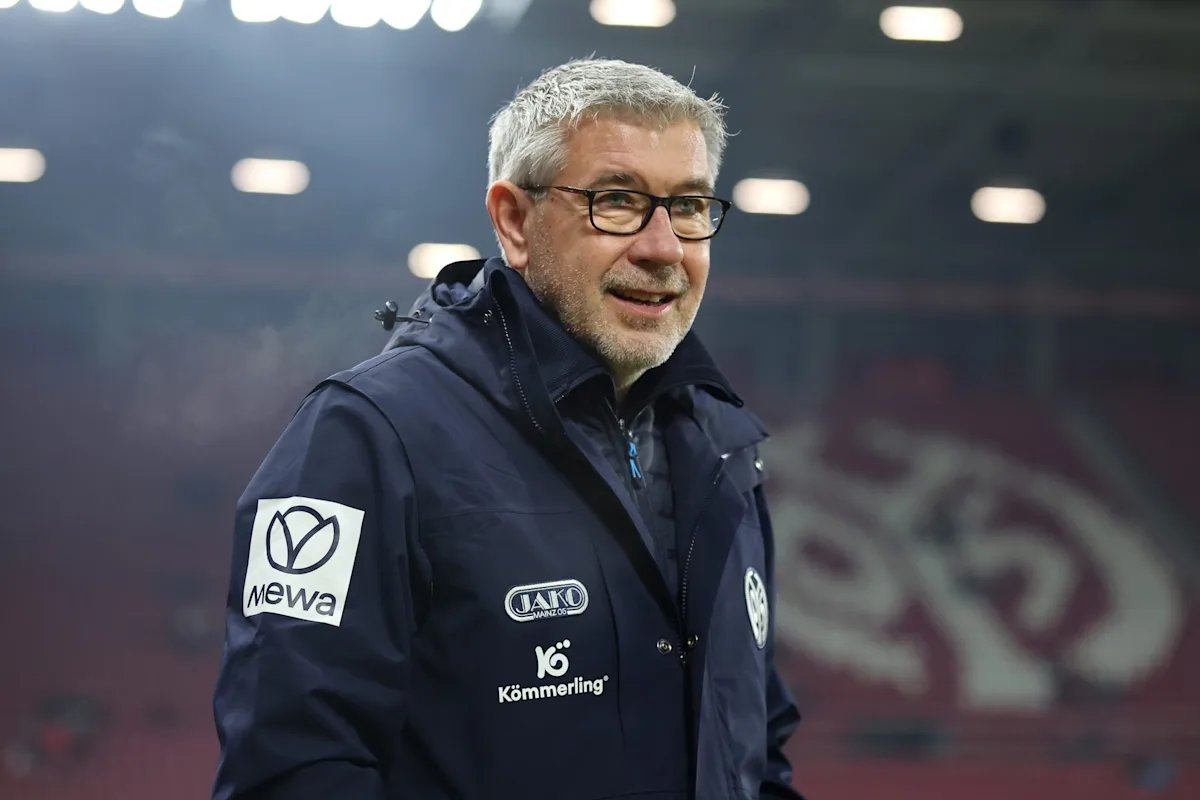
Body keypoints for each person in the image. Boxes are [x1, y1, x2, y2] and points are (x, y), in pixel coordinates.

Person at [212, 58, 803, 800]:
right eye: (617, 201)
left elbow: (757, 750)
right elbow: (291, 771)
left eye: (687, 206)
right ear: (515, 222)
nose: (663, 248)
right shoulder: (366, 438)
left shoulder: (725, 449)